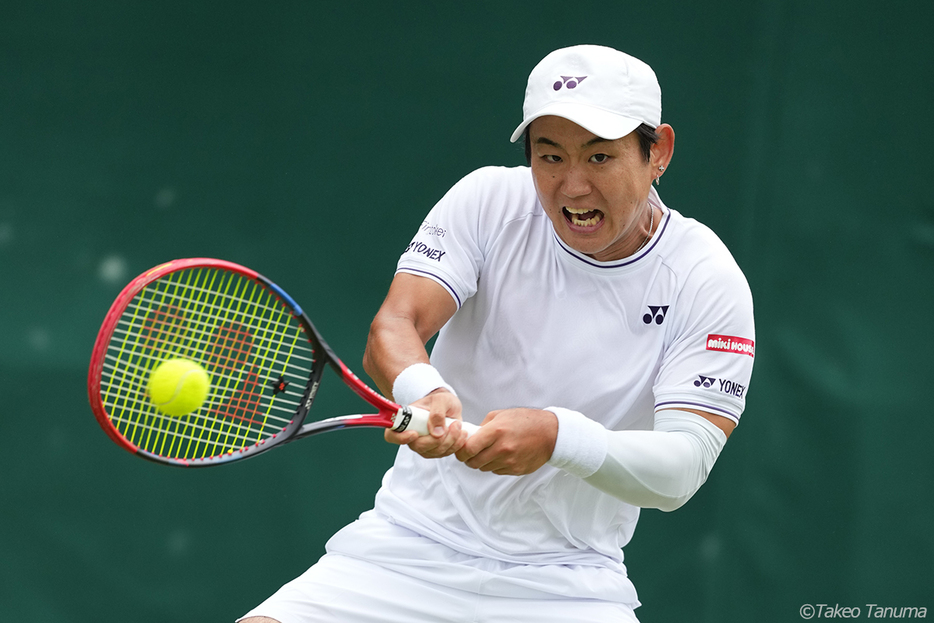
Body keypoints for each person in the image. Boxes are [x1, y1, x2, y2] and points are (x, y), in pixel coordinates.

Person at [240, 44, 755, 623]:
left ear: (657, 151)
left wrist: (559, 437)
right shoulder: (489, 201)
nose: (572, 186)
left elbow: (682, 469)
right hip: (405, 552)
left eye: (600, 158)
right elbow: (396, 323)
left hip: (569, 585)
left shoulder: (705, 278)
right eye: (550, 156)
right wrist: (424, 393)